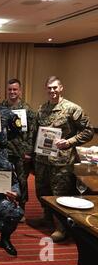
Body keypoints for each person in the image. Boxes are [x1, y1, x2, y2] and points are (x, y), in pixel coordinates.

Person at [32, 76, 94, 242]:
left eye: (55, 88)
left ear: (61, 88)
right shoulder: (42, 109)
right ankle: (47, 218)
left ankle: (62, 228)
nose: (52, 91)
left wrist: (69, 142)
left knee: (60, 193)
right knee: (42, 191)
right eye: (49, 88)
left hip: (62, 161)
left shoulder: (72, 108)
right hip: (43, 160)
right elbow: (37, 133)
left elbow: (88, 131)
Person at [1, 79, 36, 221]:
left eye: (15, 89)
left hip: (21, 151)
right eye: (10, 89)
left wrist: (28, 151)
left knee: (21, 180)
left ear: (20, 91)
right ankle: (3, 207)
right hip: (3, 150)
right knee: (4, 179)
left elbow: (32, 133)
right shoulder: (1, 106)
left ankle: (21, 207)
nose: (12, 92)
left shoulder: (27, 109)